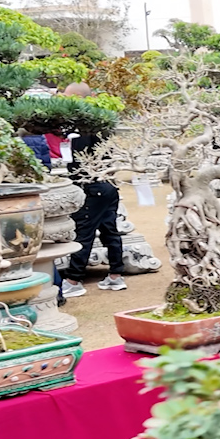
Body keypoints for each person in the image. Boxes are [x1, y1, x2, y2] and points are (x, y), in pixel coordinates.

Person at [60, 83, 125, 294]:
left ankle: (73, 279)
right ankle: (116, 274)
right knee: (110, 230)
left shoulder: (82, 127)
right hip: (108, 183)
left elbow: (77, 160)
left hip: (91, 184)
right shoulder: (103, 123)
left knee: (84, 231)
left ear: (77, 98)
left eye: (67, 97)